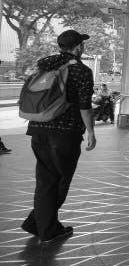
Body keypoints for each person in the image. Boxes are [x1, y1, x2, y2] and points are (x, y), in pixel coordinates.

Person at [21, 29, 96, 245]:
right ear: (79, 47)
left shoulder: (46, 65)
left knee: (45, 181)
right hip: (65, 134)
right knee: (61, 181)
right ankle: (47, 228)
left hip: (38, 128)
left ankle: (37, 222)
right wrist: (91, 132)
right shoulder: (81, 71)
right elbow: (84, 106)